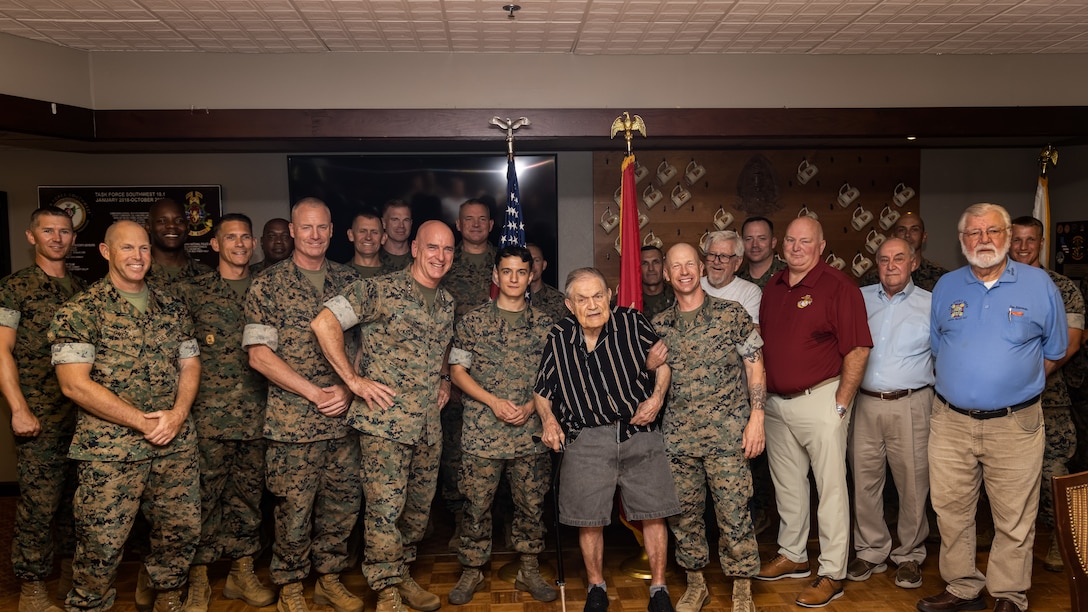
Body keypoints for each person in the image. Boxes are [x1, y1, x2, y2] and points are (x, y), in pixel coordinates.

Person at [918, 203, 1066, 612]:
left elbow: (1054, 349)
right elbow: (937, 345)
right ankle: (962, 587)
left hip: (1014, 424)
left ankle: (1007, 594)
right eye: (973, 233)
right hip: (949, 421)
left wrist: (1012, 383)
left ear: (1006, 235)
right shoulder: (947, 286)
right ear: (961, 240)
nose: (983, 240)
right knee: (950, 512)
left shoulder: (1040, 286)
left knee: (1014, 516)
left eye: (992, 231)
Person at [49, 220, 201, 612]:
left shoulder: (172, 306)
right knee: (101, 542)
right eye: (127, 248)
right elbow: (74, 385)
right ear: (105, 252)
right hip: (110, 451)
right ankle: (89, 605)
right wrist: (141, 421)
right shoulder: (80, 311)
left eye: (144, 249)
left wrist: (178, 414)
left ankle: (168, 598)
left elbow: (190, 364)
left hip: (174, 443)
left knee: (179, 532)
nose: (137, 257)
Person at [309, 220, 458, 612]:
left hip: (427, 425)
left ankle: (402, 571)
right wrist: (354, 382)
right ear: (413, 248)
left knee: (417, 509)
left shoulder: (446, 301)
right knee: (384, 510)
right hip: (385, 423)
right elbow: (323, 323)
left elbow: (442, 345)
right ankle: (386, 588)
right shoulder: (378, 289)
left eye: (447, 249)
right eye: (432, 248)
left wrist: (444, 378)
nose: (439, 257)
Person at [534, 267, 680, 612]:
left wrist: (657, 398)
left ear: (610, 296)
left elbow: (662, 363)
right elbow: (542, 390)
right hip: (586, 437)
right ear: (570, 305)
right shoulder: (559, 335)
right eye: (582, 299)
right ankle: (596, 588)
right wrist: (549, 420)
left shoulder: (632, 322)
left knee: (654, 513)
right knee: (590, 518)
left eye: (598, 295)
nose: (592, 304)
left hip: (637, 431)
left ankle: (659, 589)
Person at [242, 197, 363, 612]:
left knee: (342, 504)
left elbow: (365, 347)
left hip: (344, 420)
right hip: (294, 423)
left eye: (322, 227)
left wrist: (348, 389)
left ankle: (329, 579)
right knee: (293, 509)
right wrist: (313, 392)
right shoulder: (267, 284)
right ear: (293, 231)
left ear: (332, 231)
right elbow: (258, 355)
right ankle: (291, 587)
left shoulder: (349, 283)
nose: (314, 235)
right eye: (305, 228)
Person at [755, 216, 872, 608]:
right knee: (787, 486)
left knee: (831, 489)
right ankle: (794, 555)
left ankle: (833, 571)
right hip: (777, 403)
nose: (796, 247)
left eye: (805, 241)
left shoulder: (839, 286)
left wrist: (841, 402)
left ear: (821, 246)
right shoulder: (773, 286)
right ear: (781, 245)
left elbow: (858, 348)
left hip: (821, 399)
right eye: (790, 240)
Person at [652, 243, 765, 612]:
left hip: (728, 436)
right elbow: (650, 384)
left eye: (690, 264)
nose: (683, 271)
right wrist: (648, 364)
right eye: (675, 266)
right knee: (684, 517)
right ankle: (696, 583)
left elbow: (755, 367)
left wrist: (757, 419)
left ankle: (742, 589)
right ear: (666, 275)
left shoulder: (732, 314)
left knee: (734, 513)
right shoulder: (659, 326)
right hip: (679, 439)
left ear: (700, 268)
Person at [446, 246, 557, 605]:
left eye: (520, 272)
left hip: (530, 433)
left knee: (531, 505)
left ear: (530, 276)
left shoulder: (546, 326)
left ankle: (529, 568)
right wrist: (493, 402)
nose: (513, 278)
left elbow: (555, 378)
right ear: (495, 275)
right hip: (484, 433)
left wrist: (529, 407)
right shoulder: (473, 322)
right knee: (475, 506)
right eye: (506, 271)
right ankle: (472, 570)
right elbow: (457, 372)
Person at [179, 213, 276, 610]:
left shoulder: (268, 288)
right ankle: (199, 577)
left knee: (248, 498)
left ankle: (241, 571)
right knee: (203, 498)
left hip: (259, 415)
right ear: (215, 244)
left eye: (246, 237)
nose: (240, 244)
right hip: (208, 419)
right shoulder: (193, 291)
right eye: (231, 237)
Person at [1, 207, 86, 612]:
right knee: (39, 504)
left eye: (64, 232)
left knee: (77, 502)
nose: (57, 238)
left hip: (83, 416)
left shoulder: (82, 290)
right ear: (31, 236)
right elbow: (0, 350)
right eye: (48, 231)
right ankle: (32, 592)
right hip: (38, 415)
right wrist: (18, 407)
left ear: (73, 238)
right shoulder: (14, 288)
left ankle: (70, 578)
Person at [847, 237, 934, 591]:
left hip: (912, 403)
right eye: (884, 259)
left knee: (913, 483)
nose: (891, 265)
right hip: (864, 402)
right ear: (876, 264)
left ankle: (910, 554)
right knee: (864, 481)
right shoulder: (859, 299)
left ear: (914, 262)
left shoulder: (932, 303)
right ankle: (870, 549)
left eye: (899, 258)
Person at [1008, 215, 1083, 573]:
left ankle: (1061, 541)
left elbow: (1071, 341)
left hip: (1047, 401)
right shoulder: (995, 282)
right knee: (1002, 475)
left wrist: (1030, 377)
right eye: (1017, 239)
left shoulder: (1061, 287)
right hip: (1001, 405)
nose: (1023, 247)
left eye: (1030, 240)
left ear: (1041, 244)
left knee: (1053, 473)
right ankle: (1001, 538)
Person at [440, 199, 498, 548]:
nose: (475, 225)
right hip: (455, 377)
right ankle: (462, 522)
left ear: (492, 225)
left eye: (482, 220)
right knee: (455, 454)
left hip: (499, 378)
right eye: (468, 220)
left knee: (499, 456)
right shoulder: (446, 263)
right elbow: (439, 326)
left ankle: (501, 521)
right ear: (458, 224)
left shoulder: (505, 263)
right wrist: (447, 375)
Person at [859, 213, 948, 291]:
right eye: (902, 230)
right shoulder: (874, 278)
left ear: (924, 236)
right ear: (894, 236)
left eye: (914, 229)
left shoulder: (940, 277)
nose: (907, 235)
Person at [700, 230, 762, 325]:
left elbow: (752, 334)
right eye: (712, 255)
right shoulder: (694, 286)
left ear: (737, 262)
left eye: (724, 256)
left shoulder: (750, 292)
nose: (716, 262)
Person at [145, 197, 212, 283]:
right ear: (148, 226)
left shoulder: (208, 276)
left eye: (179, 221)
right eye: (162, 221)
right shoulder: (136, 273)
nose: (172, 226)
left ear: (187, 226)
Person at [737, 216, 786, 289]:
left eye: (762, 239)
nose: (755, 245)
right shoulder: (736, 278)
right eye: (749, 239)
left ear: (773, 242)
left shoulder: (788, 274)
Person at [527, 243, 569, 323]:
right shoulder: (511, 299)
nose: (532, 265)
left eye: (536, 260)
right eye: (528, 260)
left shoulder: (559, 301)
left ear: (544, 265)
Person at [347, 210, 390, 279]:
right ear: (351, 235)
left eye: (374, 232)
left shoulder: (396, 278)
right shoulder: (336, 277)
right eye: (362, 231)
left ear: (383, 238)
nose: (368, 237)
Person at [640, 246, 675, 320]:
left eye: (655, 262)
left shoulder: (677, 297)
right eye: (645, 263)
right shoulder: (628, 300)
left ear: (664, 265)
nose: (651, 268)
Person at [380, 199, 414, 271]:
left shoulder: (420, 259)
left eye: (406, 220)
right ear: (384, 223)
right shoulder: (374, 259)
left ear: (411, 223)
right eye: (395, 220)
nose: (401, 226)